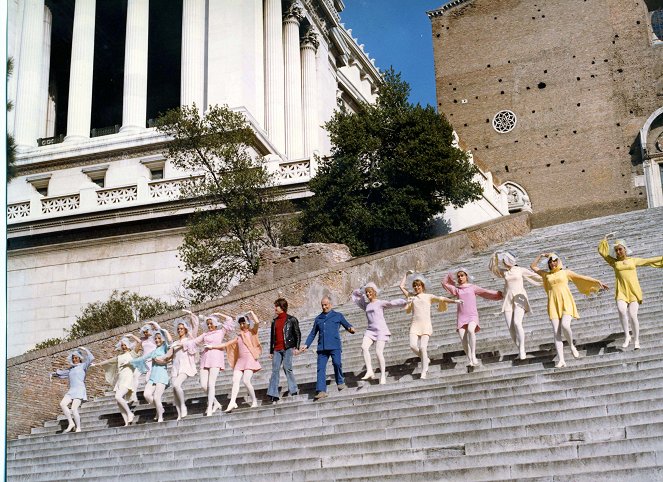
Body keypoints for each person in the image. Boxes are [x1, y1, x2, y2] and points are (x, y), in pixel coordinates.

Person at [531, 252, 608, 368]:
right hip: (553, 304)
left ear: (558, 261)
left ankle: (571, 345)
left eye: (554, 261)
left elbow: (582, 278)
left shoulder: (565, 272)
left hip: (566, 302)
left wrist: (597, 282)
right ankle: (561, 360)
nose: (553, 264)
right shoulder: (546, 275)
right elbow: (533, 266)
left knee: (565, 325)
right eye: (550, 262)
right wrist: (542, 255)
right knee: (556, 333)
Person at [598, 234, 663, 349]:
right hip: (621, 291)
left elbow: (648, 260)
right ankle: (627, 336)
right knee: (621, 310)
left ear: (625, 249)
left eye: (620, 249)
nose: (618, 252)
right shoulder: (614, 262)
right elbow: (602, 252)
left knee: (633, 316)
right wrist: (605, 238)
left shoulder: (633, 261)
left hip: (634, 291)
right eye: (616, 250)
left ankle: (636, 340)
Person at [399, 271, 462, 379]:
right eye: (414, 286)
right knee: (413, 346)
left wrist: (455, 301)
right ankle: (425, 359)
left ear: (422, 286)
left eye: (418, 285)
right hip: (415, 325)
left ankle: (424, 371)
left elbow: (441, 299)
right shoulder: (411, 297)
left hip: (426, 325)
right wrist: (406, 274)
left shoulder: (428, 296)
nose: (416, 287)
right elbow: (401, 286)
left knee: (423, 347)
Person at [443, 268, 503, 367]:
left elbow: (485, 292)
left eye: (462, 275)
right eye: (458, 276)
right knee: (463, 340)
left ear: (466, 276)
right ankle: (470, 358)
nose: (460, 277)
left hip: (472, 315)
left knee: (471, 330)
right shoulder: (457, 289)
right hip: (461, 316)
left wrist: (498, 294)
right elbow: (445, 284)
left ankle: (474, 355)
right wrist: (449, 273)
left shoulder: (472, 287)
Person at [489, 252, 542, 360]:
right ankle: (519, 348)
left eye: (506, 260)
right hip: (508, 299)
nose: (504, 262)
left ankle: (522, 350)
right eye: (504, 260)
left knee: (517, 322)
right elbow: (493, 268)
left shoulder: (520, 270)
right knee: (511, 328)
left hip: (520, 297)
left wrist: (550, 277)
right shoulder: (504, 272)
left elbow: (535, 277)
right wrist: (495, 256)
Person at [351, 282, 407, 385]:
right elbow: (356, 296)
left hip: (381, 330)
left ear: (374, 292)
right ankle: (370, 370)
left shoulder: (380, 302)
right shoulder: (366, 305)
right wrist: (361, 290)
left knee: (378, 353)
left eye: (370, 292)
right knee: (364, 347)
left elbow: (392, 303)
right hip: (370, 330)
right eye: (367, 293)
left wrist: (405, 302)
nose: (368, 294)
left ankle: (382, 375)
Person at [301, 296, 355, 399]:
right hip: (322, 348)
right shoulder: (318, 319)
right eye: (322, 305)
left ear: (330, 304)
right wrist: (306, 344)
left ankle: (340, 381)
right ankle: (321, 390)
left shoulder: (338, 316)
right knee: (320, 369)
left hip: (335, 346)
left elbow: (347, 325)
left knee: (337, 363)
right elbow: (313, 333)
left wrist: (350, 329)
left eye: (325, 305)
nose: (324, 307)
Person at [208, 311, 263, 412]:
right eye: (241, 324)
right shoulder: (239, 336)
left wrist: (251, 312)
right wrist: (212, 346)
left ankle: (254, 401)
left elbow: (257, 322)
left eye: (244, 323)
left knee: (246, 381)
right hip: (240, 361)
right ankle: (232, 402)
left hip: (250, 360)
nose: (242, 325)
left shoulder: (252, 332)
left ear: (247, 323)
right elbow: (226, 344)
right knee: (235, 380)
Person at [154, 310, 199, 420]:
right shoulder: (174, 343)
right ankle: (179, 415)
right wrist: (158, 359)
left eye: (181, 329)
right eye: (178, 329)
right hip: (175, 368)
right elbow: (167, 356)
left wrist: (190, 314)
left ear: (185, 330)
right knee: (174, 391)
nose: (179, 330)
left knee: (176, 385)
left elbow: (195, 325)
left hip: (185, 367)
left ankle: (183, 406)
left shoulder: (189, 340)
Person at [189, 312, 234, 416]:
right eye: (208, 324)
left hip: (216, 358)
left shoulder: (221, 332)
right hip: (205, 358)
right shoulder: (205, 334)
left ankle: (209, 407)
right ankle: (216, 403)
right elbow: (194, 342)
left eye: (211, 323)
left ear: (215, 323)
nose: (209, 325)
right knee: (204, 385)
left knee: (211, 384)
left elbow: (229, 320)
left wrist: (219, 313)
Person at [95, 337, 141, 426]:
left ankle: (130, 413)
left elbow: (139, 342)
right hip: (120, 380)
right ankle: (126, 422)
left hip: (128, 379)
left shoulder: (132, 354)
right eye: (122, 345)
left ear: (128, 345)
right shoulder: (119, 357)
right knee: (119, 402)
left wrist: (131, 335)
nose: (123, 347)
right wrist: (96, 364)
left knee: (118, 397)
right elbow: (108, 361)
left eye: (125, 345)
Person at [130, 327, 172, 422]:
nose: (157, 340)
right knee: (147, 395)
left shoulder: (165, 347)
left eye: (159, 338)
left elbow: (170, 342)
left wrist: (165, 331)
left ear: (162, 339)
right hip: (153, 377)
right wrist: (131, 362)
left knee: (157, 397)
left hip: (161, 376)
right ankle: (159, 409)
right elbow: (143, 358)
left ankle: (160, 417)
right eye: (156, 338)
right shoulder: (153, 351)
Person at [50, 347, 94, 433]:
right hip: (72, 390)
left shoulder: (83, 366)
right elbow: (61, 373)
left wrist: (85, 349)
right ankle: (71, 423)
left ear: (79, 358)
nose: (74, 359)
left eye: (76, 358)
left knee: (74, 409)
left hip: (80, 390)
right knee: (62, 404)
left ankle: (79, 427)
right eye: (73, 358)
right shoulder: (71, 369)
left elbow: (91, 358)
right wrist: (52, 374)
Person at [267, 298, 301, 402]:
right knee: (275, 370)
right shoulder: (274, 321)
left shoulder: (292, 319)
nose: (275, 308)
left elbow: (297, 334)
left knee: (287, 368)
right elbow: (272, 337)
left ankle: (294, 389)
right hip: (277, 349)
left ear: (282, 307)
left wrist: (297, 347)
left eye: (276, 306)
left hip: (288, 347)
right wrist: (271, 351)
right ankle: (273, 393)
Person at [130, 322, 159, 404]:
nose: (146, 333)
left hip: (151, 360)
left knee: (147, 379)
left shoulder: (154, 338)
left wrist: (153, 323)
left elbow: (159, 329)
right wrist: (132, 336)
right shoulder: (142, 339)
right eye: (144, 332)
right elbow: (138, 341)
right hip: (143, 360)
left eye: (147, 331)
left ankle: (150, 395)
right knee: (135, 375)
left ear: (150, 331)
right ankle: (133, 396)